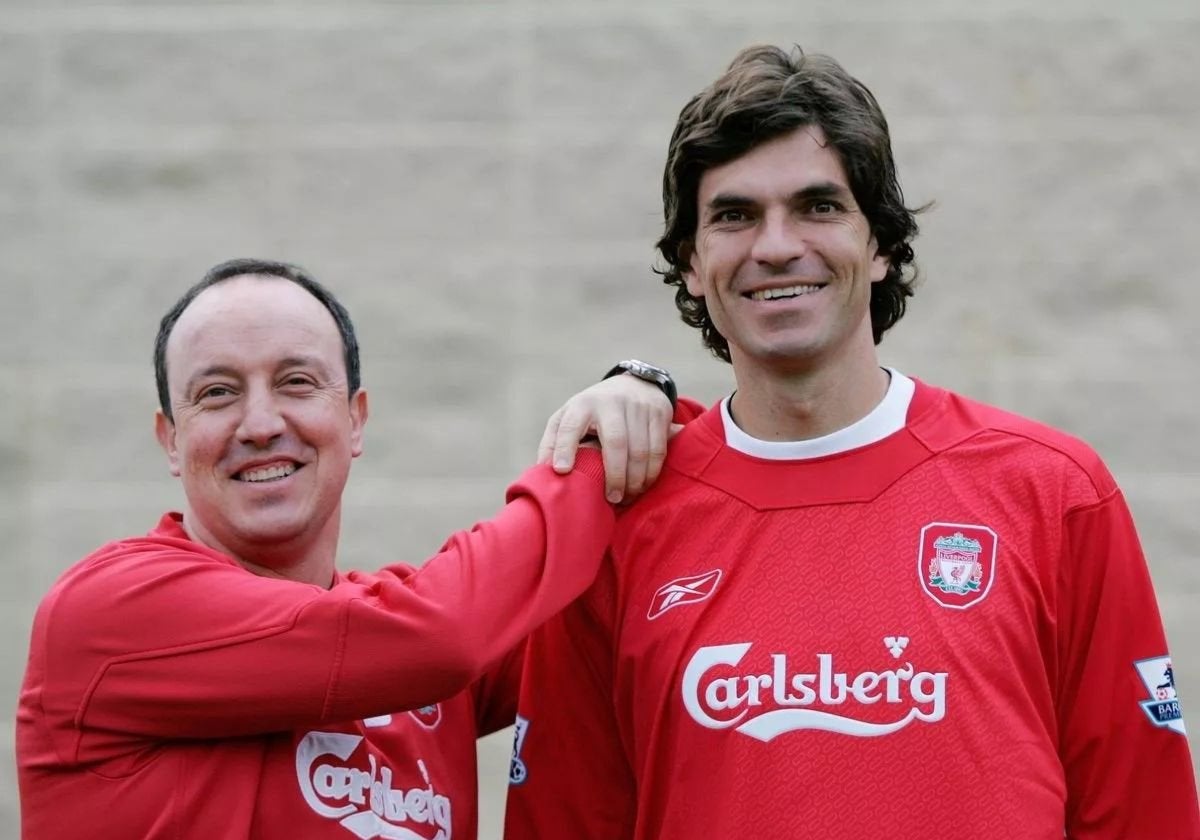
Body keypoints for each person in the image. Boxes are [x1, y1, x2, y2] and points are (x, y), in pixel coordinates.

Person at [505, 45, 1200, 839]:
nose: (775, 246)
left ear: (880, 246)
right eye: (734, 215)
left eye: (818, 207)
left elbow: (1142, 812)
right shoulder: (618, 521)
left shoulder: (1052, 490)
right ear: (691, 264)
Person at [15, 258, 679, 839]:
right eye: (217, 393)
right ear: (170, 439)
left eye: (297, 383)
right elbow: (439, 631)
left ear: (355, 420)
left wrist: (647, 408)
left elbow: (621, 601)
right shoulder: (108, 609)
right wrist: (595, 461)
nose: (262, 424)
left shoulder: (410, 651)